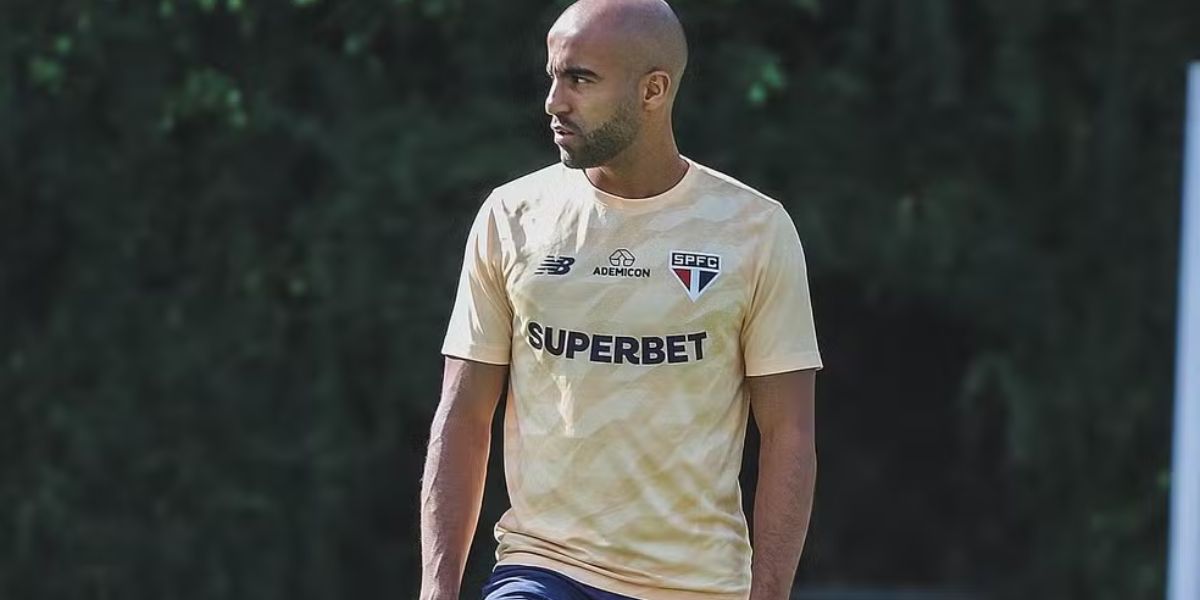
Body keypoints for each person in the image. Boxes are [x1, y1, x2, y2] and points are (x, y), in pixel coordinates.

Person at [419, 0, 822, 598]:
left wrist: (768, 593)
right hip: (542, 568)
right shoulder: (512, 216)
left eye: (580, 79)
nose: (554, 101)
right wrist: (438, 587)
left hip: (697, 584)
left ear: (653, 90)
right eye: (552, 76)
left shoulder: (754, 229)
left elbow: (789, 431)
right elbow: (464, 413)